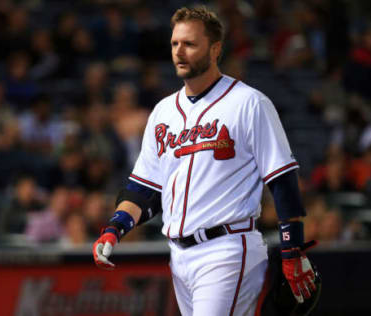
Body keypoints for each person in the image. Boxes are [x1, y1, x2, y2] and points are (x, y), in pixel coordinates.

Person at [92, 6, 318, 316]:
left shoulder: (248, 103)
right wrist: (115, 227)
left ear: (215, 49)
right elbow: (145, 188)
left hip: (227, 247)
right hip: (180, 253)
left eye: (190, 44)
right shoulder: (163, 111)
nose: (179, 52)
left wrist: (293, 249)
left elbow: (282, 179)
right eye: (174, 44)